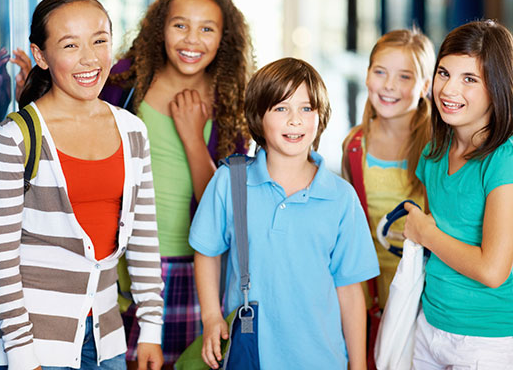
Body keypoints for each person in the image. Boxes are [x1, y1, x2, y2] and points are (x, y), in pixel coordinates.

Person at [0, 0, 164, 370]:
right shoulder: (17, 136)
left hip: (106, 342)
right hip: (37, 347)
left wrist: (150, 328)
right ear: (41, 56)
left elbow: (144, 235)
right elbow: (0, 256)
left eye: (99, 40)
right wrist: (20, 351)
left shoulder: (132, 130)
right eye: (69, 45)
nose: (89, 58)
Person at [100, 0, 255, 369]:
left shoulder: (231, 103)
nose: (192, 39)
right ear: (160, 30)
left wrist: (192, 136)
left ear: (224, 39)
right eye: (180, 25)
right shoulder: (125, 83)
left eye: (207, 28)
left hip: (194, 268)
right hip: (125, 263)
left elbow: (225, 208)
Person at [189, 57, 380, 369]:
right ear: (257, 116)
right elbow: (207, 251)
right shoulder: (230, 180)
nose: (296, 120)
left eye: (307, 108)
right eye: (281, 108)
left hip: (322, 359)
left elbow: (349, 291)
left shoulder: (341, 197)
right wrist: (211, 316)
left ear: (321, 116)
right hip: (250, 354)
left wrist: (357, 365)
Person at [403, 20, 513, 369]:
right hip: (430, 323)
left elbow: (493, 270)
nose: (449, 89)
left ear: (498, 88)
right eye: (444, 73)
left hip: (486, 341)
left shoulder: (504, 161)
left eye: (470, 79)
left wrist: (425, 233)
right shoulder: (435, 150)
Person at [342, 28, 435, 309]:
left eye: (404, 76)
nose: (389, 85)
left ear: (424, 86)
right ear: (367, 74)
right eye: (380, 72)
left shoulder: (438, 148)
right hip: (369, 292)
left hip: (424, 294)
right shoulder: (355, 145)